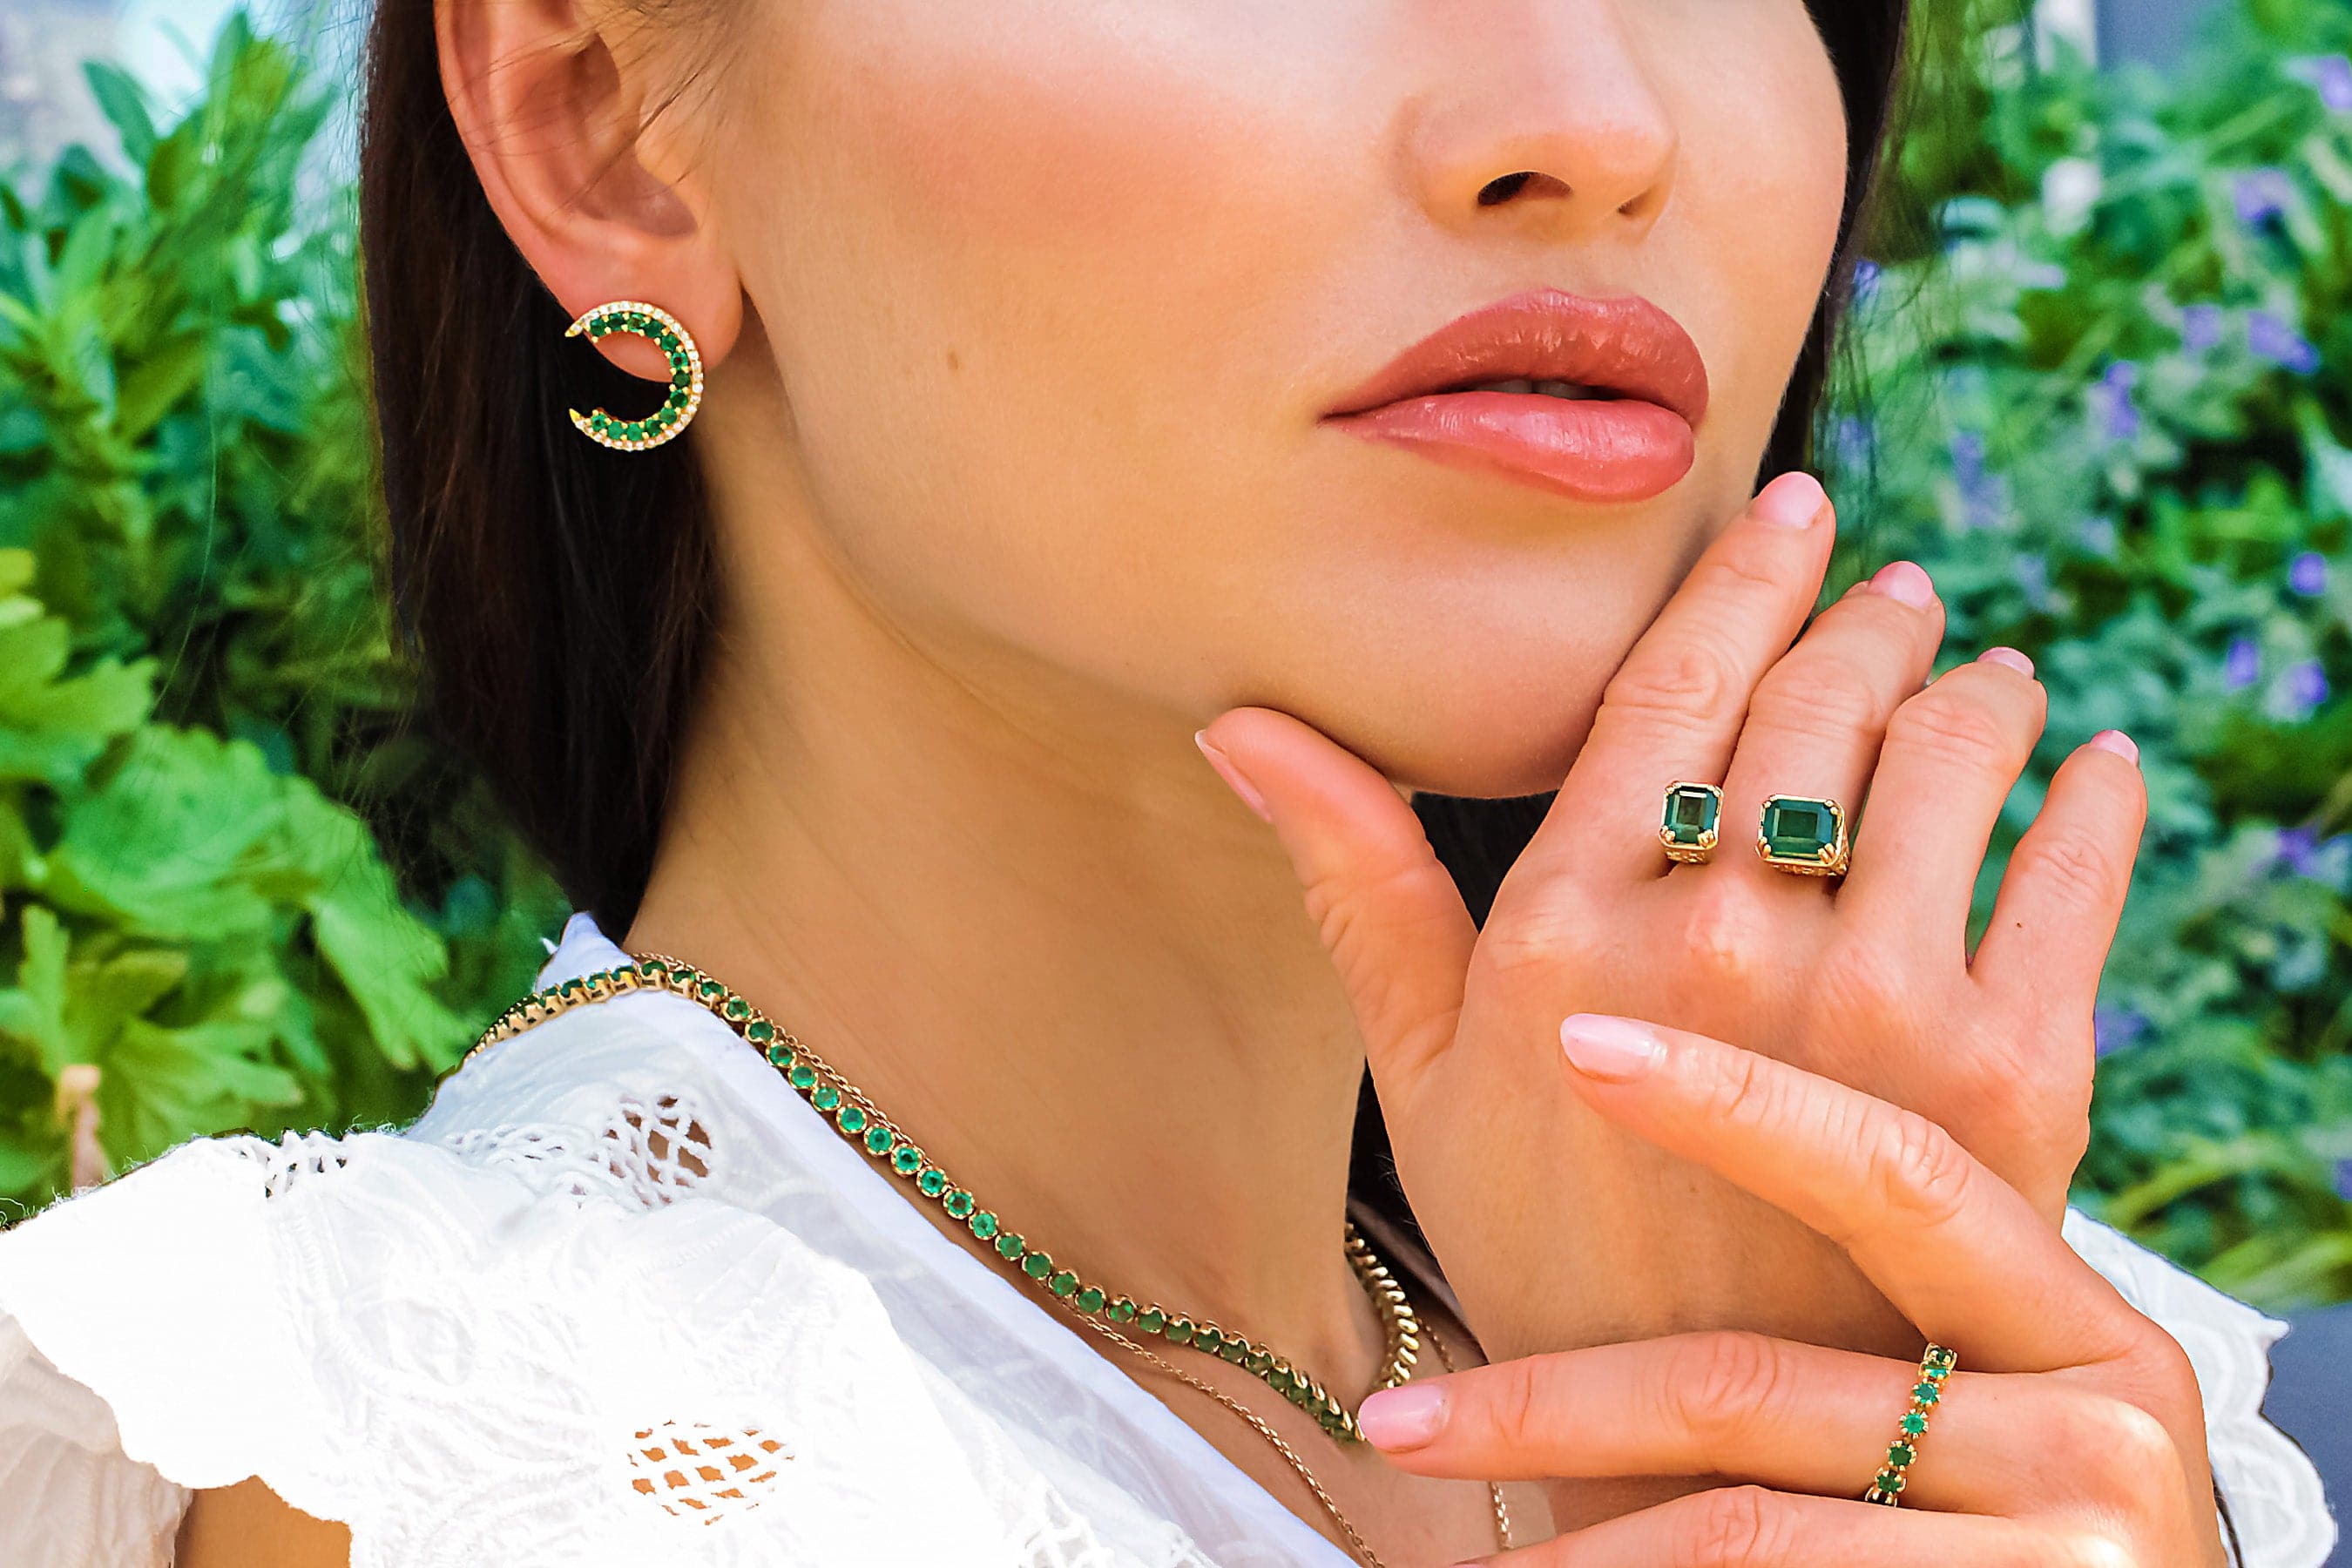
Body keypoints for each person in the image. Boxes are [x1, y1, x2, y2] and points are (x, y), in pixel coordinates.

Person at [0, 1, 2335, 1564]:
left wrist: (1766, 1404)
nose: (1592, 121)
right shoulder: (479, 1448)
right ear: (604, 134)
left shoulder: (2020, 1380)